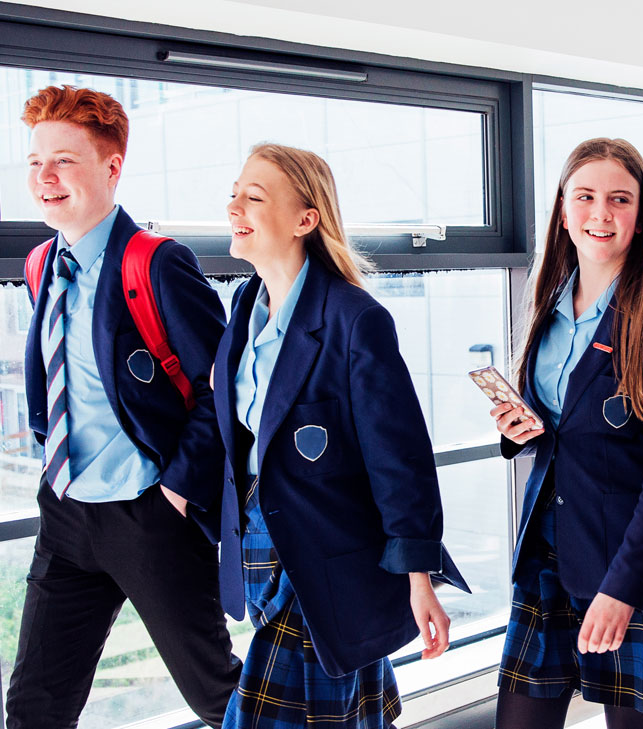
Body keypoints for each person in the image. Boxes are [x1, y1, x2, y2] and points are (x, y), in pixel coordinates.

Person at [7, 85, 240, 728]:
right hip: (67, 514)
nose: (44, 178)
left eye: (64, 160)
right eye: (34, 162)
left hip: (149, 516)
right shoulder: (38, 265)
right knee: (33, 706)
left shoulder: (158, 265)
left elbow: (221, 388)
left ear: (111, 168)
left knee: (217, 695)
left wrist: (176, 491)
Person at [214, 143, 469, 729]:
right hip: (261, 551)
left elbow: (398, 461)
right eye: (234, 194)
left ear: (307, 220)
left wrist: (419, 577)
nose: (234, 208)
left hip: (326, 561)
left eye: (253, 197)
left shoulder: (356, 320)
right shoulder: (245, 305)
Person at [491, 138, 643, 729]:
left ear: (641, 214)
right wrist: (520, 429)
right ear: (562, 210)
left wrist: (624, 588)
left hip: (622, 559)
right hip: (546, 553)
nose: (600, 214)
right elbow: (558, 430)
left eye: (619, 199)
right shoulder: (548, 303)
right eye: (585, 197)